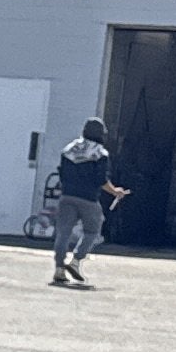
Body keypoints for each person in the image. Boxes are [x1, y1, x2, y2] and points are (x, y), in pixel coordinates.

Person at [47, 118, 127, 288]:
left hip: (67, 196)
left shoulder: (69, 149)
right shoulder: (100, 153)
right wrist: (115, 191)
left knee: (63, 233)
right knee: (93, 230)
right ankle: (76, 261)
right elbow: (101, 180)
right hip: (88, 199)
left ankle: (59, 269)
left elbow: (62, 174)